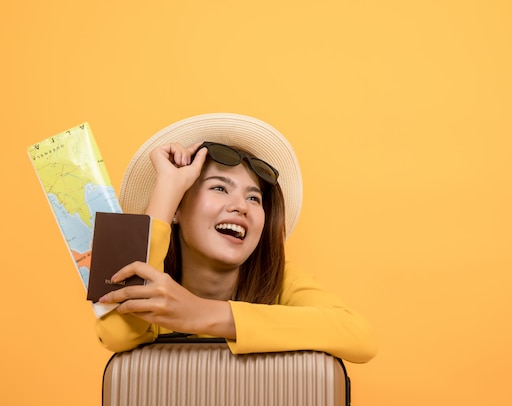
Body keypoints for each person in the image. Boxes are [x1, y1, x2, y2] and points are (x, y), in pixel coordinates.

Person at [95, 113, 377, 364]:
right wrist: (167, 187)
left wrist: (202, 313)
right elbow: (117, 334)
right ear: (177, 208)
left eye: (253, 197)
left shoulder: (280, 281)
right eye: (219, 187)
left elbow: (359, 336)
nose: (241, 206)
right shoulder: (155, 292)